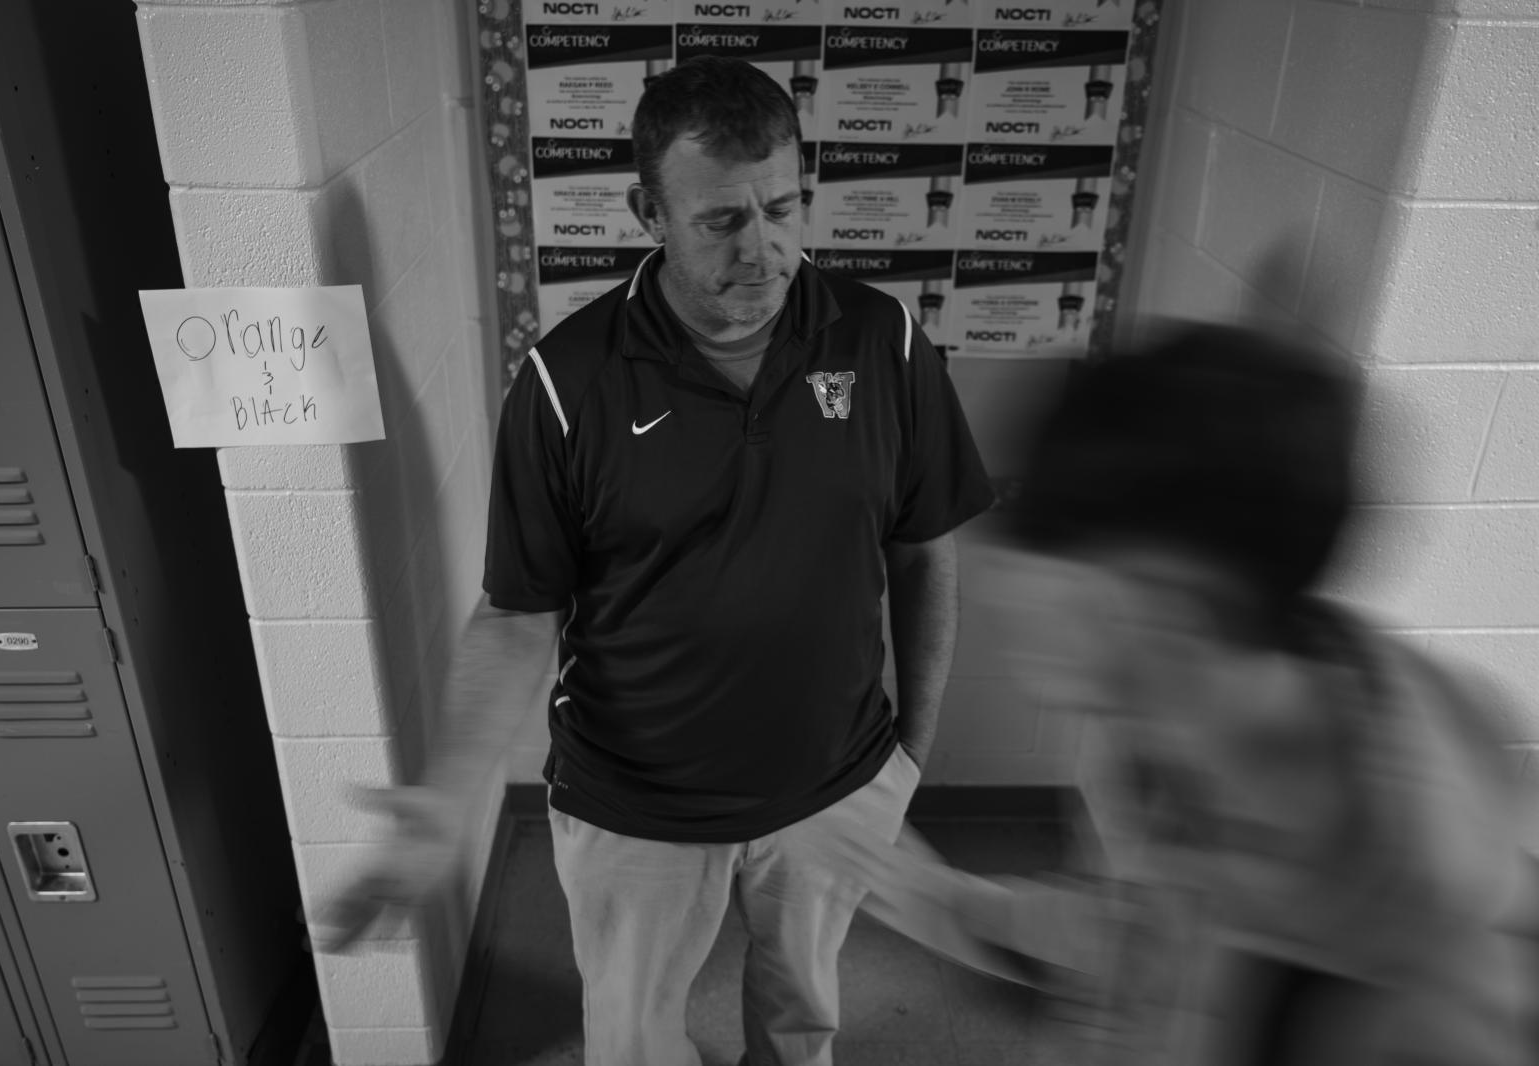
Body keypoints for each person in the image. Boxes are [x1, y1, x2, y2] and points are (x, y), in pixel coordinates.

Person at [320, 55, 996, 1066]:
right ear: (649, 210)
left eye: (781, 207)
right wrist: (444, 797)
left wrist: (907, 762)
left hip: (834, 787)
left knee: (800, 1020)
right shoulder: (567, 379)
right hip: (633, 807)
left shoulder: (880, 336)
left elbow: (924, 551)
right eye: (720, 220)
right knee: (631, 1044)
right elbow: (517, 613)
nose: (763, 249)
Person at [805, 322, 1539, 1064]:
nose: (1036, 656)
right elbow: (1160, 935)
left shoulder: (1426, 991)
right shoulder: (1186, 738)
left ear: (1171, 608)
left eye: (1058, 601)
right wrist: (946, 902)